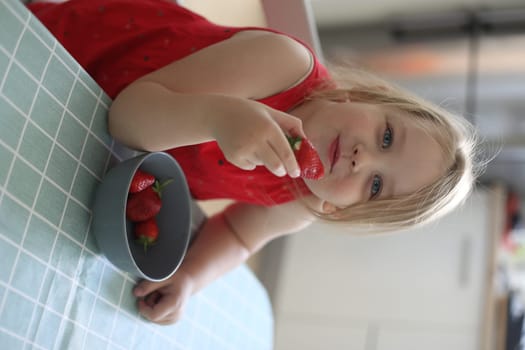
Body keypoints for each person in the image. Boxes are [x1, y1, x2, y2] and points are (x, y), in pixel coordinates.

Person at [28, 0, 481, 325]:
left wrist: (190, 277)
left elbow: (240, 234)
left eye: (377, 186)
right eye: (386, 136)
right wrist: (217, 116)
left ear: (335, 210)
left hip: (101, 152)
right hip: (68, 59)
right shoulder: (281, 66)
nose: (364, 160)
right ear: (355, 96)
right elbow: (127, 115)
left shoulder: (301, 200)